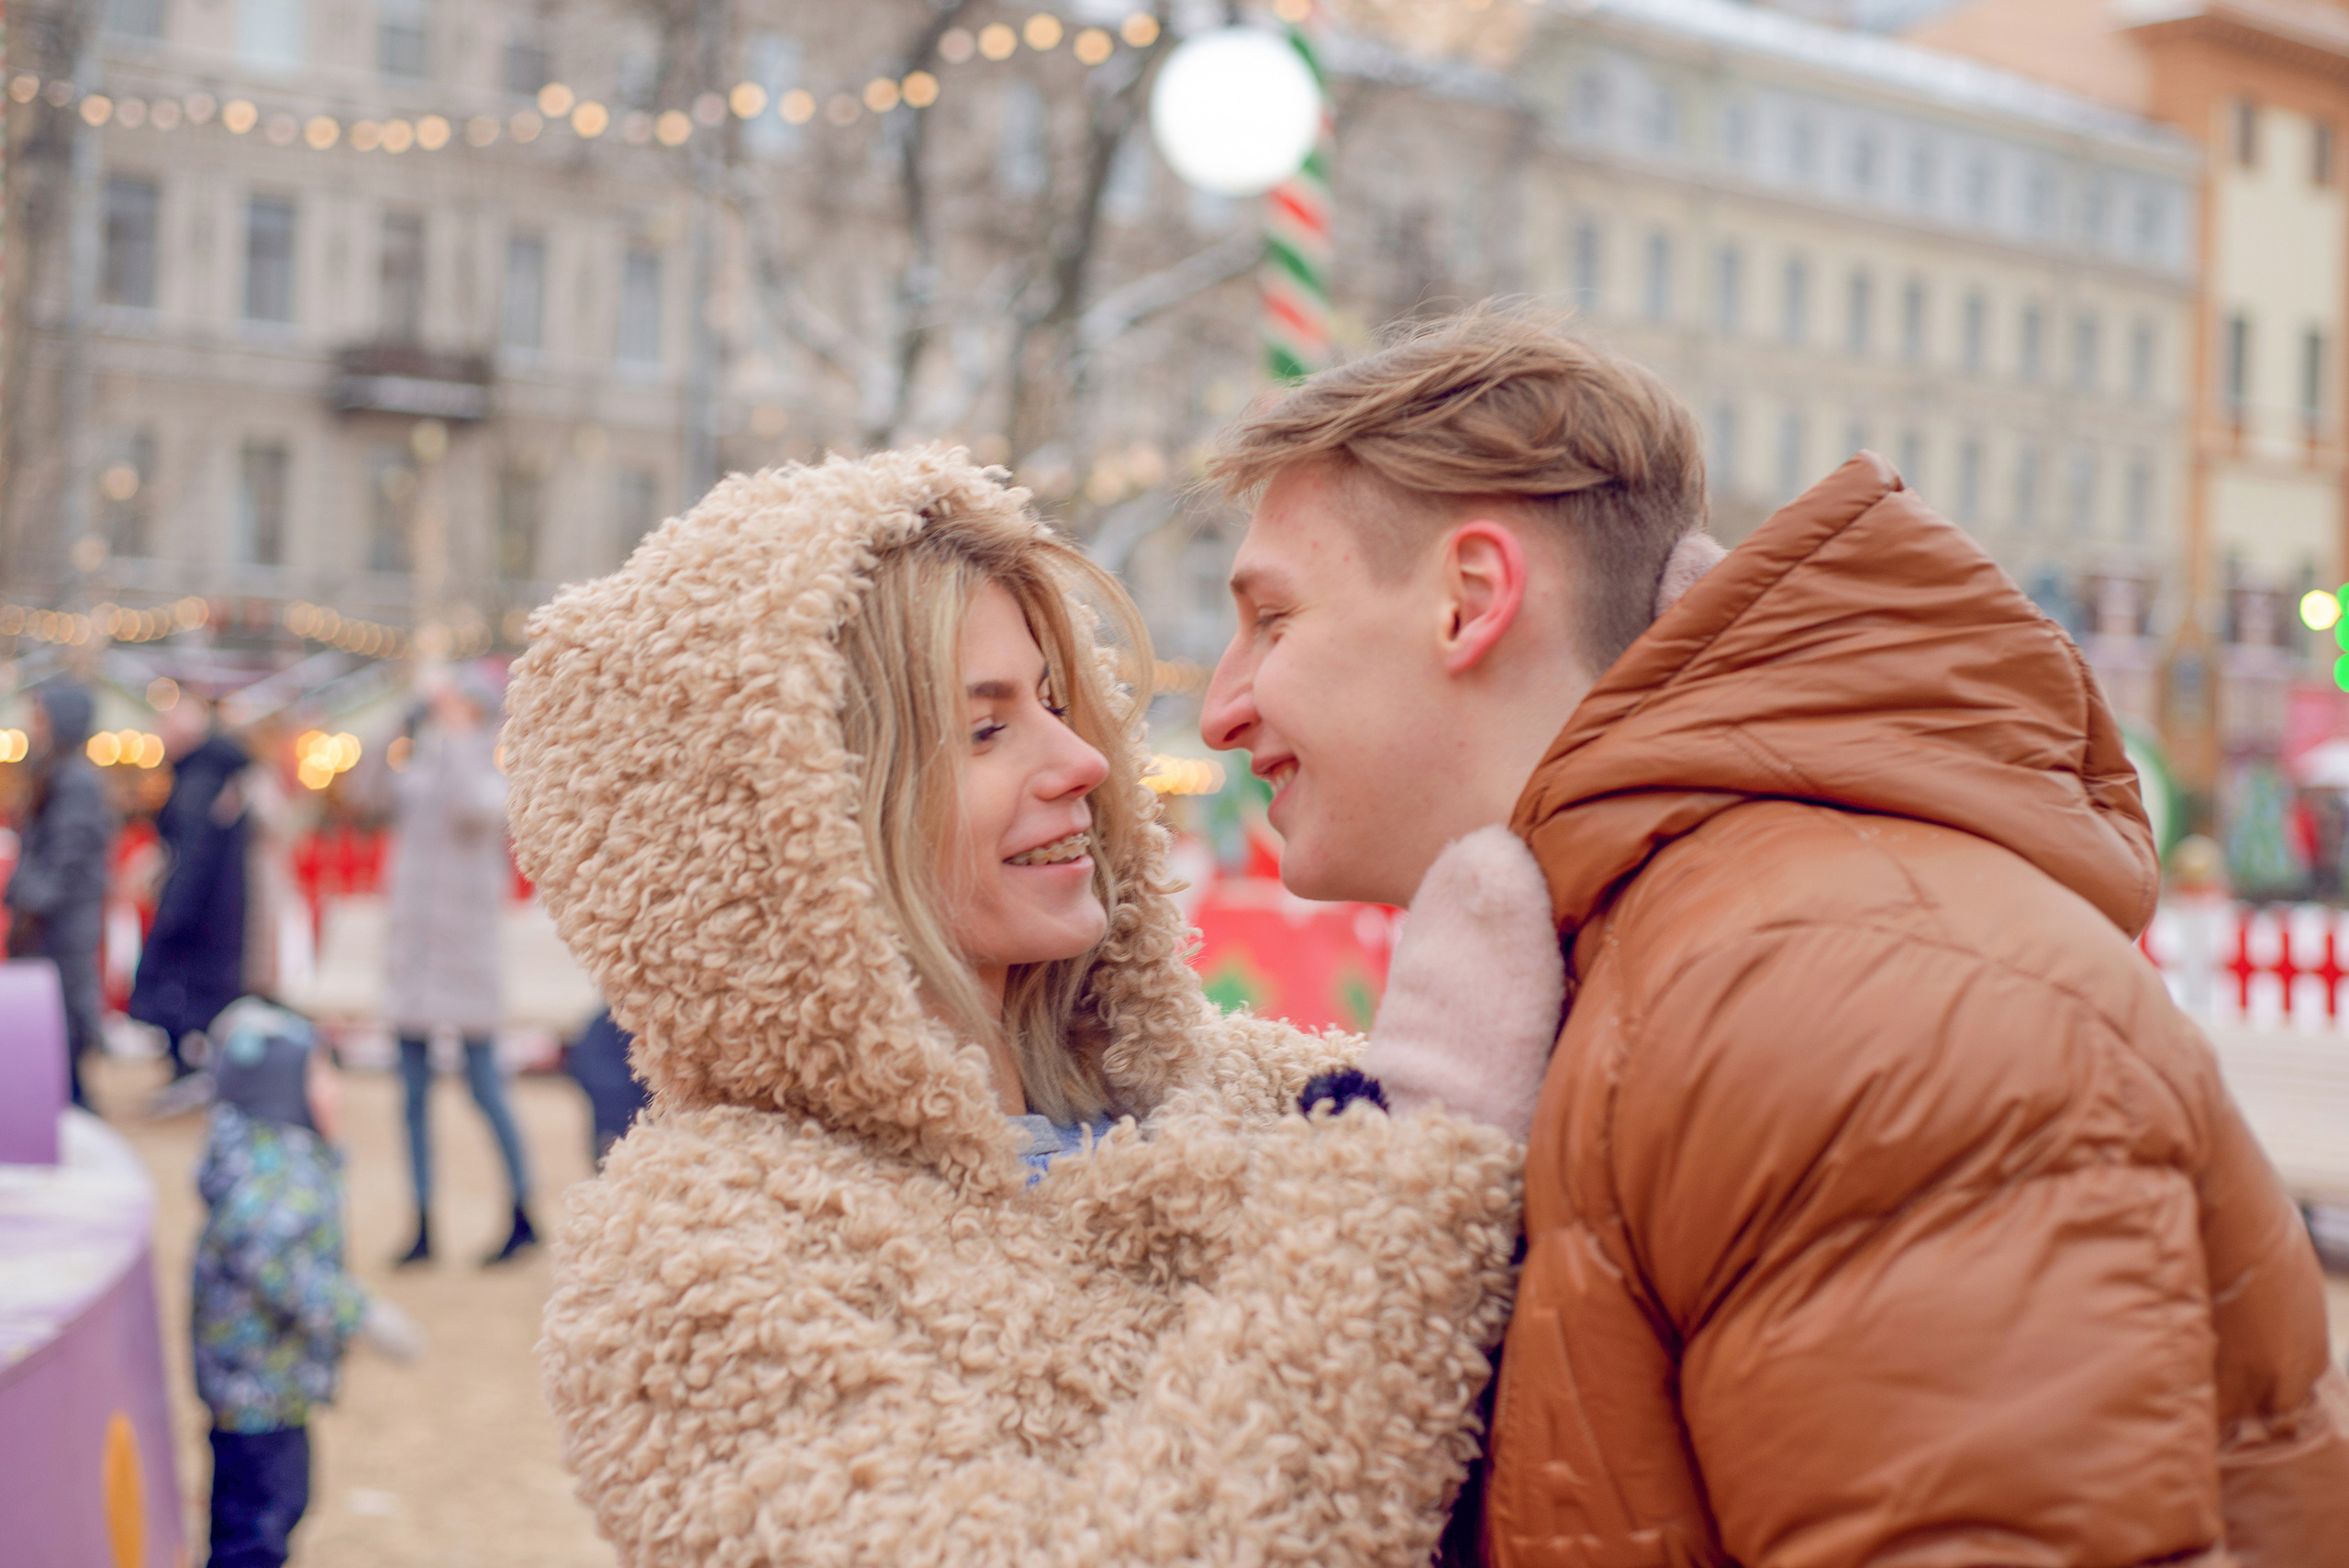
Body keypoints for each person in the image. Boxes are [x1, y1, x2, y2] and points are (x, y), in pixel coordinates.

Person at [1198, 306, 2349, 1564]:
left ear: (1471, 600)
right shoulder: (1687, 950)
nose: (1220, 705)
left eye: (1271, 621)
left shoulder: (1834, 991)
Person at [506, 447, 1561, 1566]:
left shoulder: (1253, 1094)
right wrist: (1409, 1182)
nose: (1085, 762)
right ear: (795, 826)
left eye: (1059, 704)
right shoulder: (704, 1256)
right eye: (987, 727)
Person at [194, 995, 424, 1568]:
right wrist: (358, 1314)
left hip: (257, 1383)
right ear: (281, 1089)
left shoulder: (266, 1155)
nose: (335, 1089)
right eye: (320, 1075)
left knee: (256, 1511)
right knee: (264, 1518)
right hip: (260, 1389)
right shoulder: (276, 1171)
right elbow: (273, 1260)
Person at [377, 669, 538, 1267]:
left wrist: (461, 737)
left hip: (465, 959)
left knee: (486, 1088)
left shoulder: (485, 774)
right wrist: (404, 716)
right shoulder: (420, 773)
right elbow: (366, 784)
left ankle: (523, 1209)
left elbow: (475, 806)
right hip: (414, 960)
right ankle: (422, 1221)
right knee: (412, 1097)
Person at [131, 696, 254, 1117]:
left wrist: (173, 912)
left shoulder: (199, 780)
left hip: (199, 915)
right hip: (215, 913)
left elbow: (193, 856)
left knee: (180, 995)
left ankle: (192, 1074)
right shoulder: (215, 776)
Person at [5, 681, 117, 1107]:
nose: (34, 727)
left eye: (41, 717)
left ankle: (71, 1099)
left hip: (65, 920)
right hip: (55, 917)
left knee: (65, 1007)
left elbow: (69, 855)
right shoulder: (55, 774)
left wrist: (32, 898)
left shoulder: (76, 781)